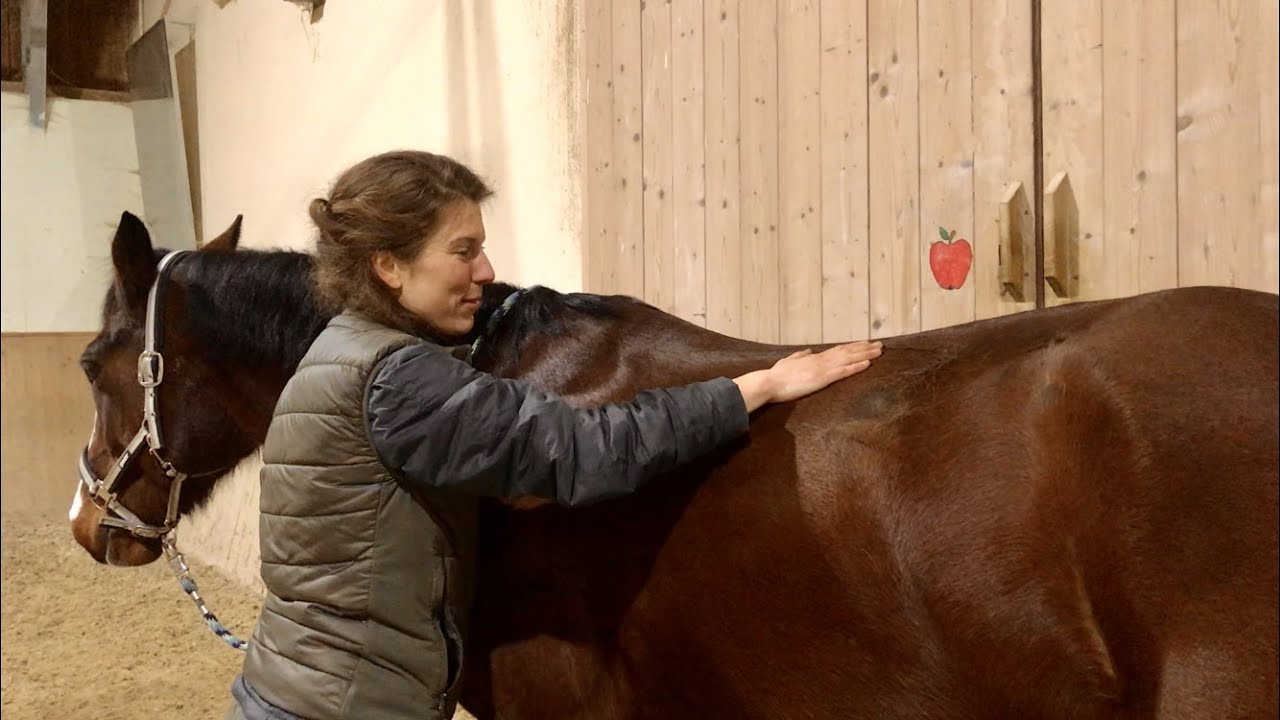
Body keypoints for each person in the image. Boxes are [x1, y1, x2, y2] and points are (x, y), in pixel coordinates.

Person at [225, 150, 883, 720]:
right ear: (389, 267)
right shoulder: (397, 381)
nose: (485, 271)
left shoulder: (346, 348)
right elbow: (582, 449)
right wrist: (752, 389)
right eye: (462, 250)